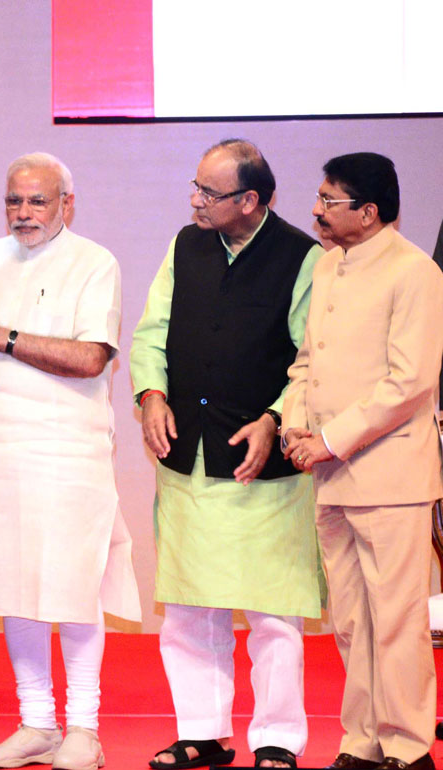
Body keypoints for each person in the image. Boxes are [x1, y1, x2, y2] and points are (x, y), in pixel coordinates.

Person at [0, 152, 140, 770]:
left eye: (37, 201)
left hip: (66, 452)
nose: (23, 214)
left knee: (71, 587)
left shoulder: (94, 262)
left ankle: (84, 728)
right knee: (14, 586)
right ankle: (37, 722)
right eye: (13, 201)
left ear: (66, 204)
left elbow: (90, 359)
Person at [129, 139, 325, 770]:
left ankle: (277, 740)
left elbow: (311, 363)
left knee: (273, 615)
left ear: (250, 200)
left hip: (261, 467)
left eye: (209, 193)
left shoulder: (303, 257)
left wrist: (275, 420)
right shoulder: (185, 246)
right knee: (189, 607)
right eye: (195, 187)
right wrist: (152, 394)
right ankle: (202, 732)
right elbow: (151, 333)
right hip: (189, 457)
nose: (195, 201)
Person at [283, 152, 443, 770]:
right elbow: (307, 362)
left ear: (369, 212)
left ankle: (408, 747)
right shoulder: (329, 267)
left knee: (397, 619)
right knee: (351, 619)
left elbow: (409, 384)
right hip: (333, 472)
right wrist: (297, 424)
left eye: (329, 202)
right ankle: (363, 741)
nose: (317, 212)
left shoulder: (414, 272)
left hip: (390, 475)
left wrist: (330, 438)